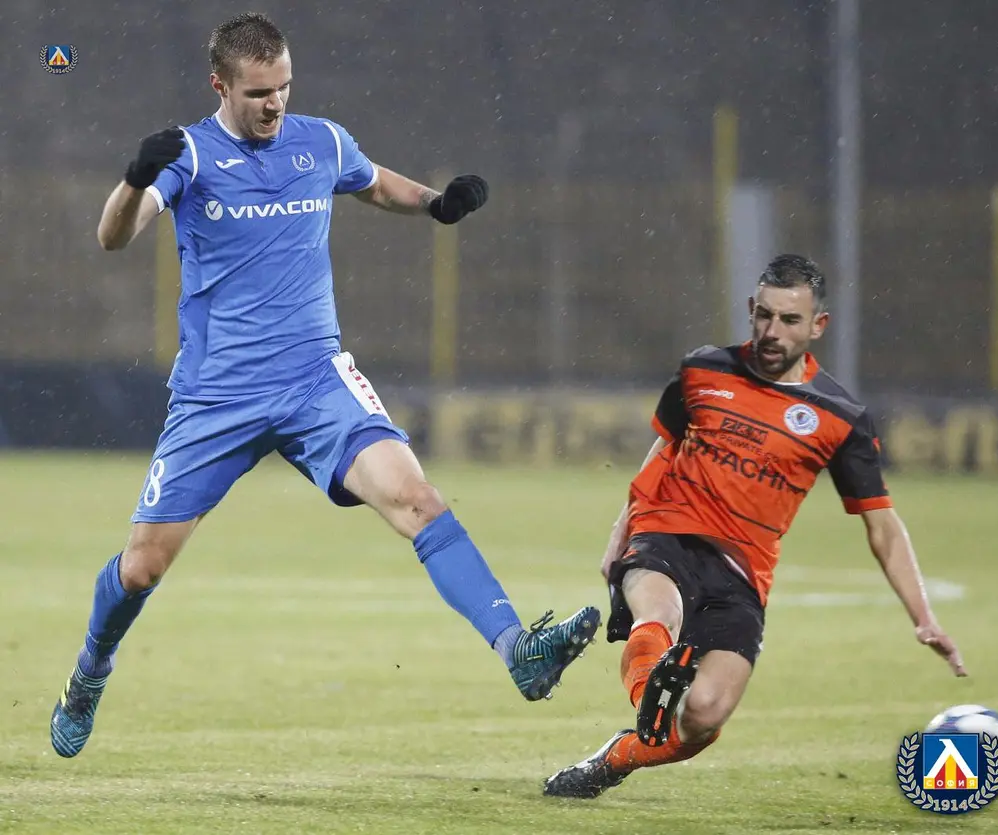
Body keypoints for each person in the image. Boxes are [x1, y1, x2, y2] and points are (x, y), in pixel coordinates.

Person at [50, 12, 600, 759]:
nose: (274, 103)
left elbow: (373, 183)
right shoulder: (189, 154)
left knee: (418, 500)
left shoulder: (321, 140)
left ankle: (518, 649)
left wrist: (435, 203)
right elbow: (113, 236)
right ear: (220, 85)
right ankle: (90, 670)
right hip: (218, 395)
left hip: (316, 378)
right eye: (258, 92)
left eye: (283, 87)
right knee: (143, 566)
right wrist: (135, 178)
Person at [543, 254, 966, 799]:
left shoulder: (840, 417)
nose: (772, 331)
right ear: (751, 309)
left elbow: (881, 524)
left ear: (818, 325)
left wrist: (923, 618)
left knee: (703, 717)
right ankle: (650, 694)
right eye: (764, 315)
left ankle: (613, 759)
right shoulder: (703, 369)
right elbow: (665, 445)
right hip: (668, 528)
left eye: (790, 320)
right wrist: (622, 527)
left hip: (743, 572)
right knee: (660, 614)